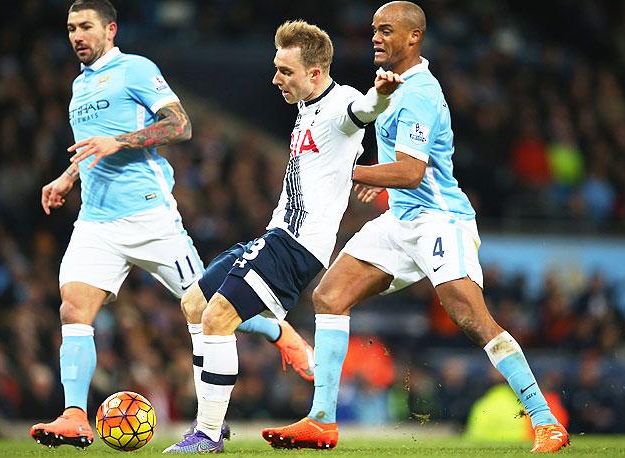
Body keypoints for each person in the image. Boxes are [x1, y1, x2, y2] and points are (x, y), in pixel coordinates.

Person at [262, 2, 570, 454]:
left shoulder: (421, 94)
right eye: (373, 30)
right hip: (402, 220)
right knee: (329, 295)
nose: (375, 38)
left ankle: (545, 422)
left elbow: (411, 171)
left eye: (386, 31)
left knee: (470, 317)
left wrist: (347, 171)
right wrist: (374, 177)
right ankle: (322, 421)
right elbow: (397, 171)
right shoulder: (391, 86)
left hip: (440, 220)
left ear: (413, 38)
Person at [30, 0, 314, 449]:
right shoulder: (78, 88)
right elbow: (91, 149)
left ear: (111, 30)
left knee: (207, 307)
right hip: (96, 222)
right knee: (72, 309)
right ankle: (74, 417)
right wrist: (66, 177)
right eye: (70, 28)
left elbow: (180, 125)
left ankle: (277, 330)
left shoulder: (136, 70)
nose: (77, 35)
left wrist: (120, 141)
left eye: (86, 26)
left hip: (150, 219)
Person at [162, 19, 403, 454]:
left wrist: (381, 95)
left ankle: (208, 434)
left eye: (285, 71)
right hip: (275, 235)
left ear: (315, 73)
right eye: (276, 68)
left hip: (296, 248)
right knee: (193, 303)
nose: (275, 78)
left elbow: (362, 111)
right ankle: (273, 342)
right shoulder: (306, 107)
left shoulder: (340, 103)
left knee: (217, 319)